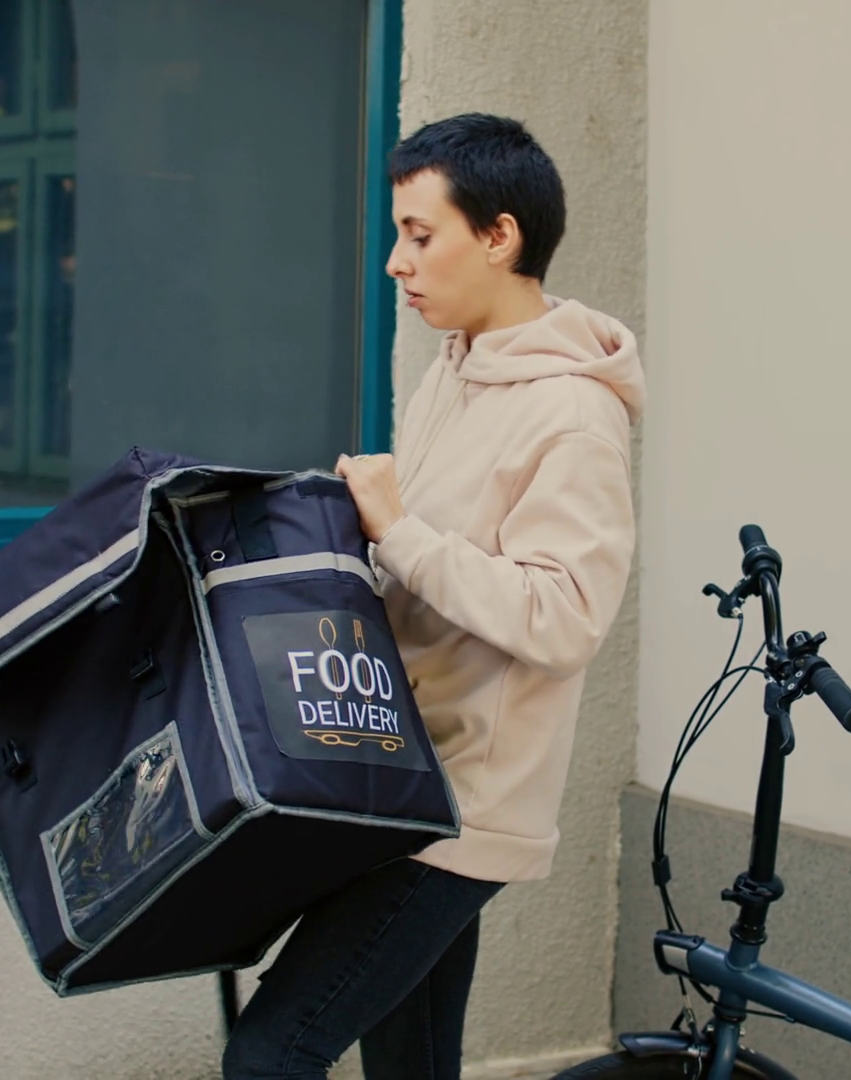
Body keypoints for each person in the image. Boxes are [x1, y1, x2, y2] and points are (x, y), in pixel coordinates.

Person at [222, 114, 643, 1080]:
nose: (395, 263)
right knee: (410, 1063)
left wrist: (399, 532)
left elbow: (565, 619)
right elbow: (415, 566)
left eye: (420, 235)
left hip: (461, 810)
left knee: (270, 1055)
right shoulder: (453, 372)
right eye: (397, 234)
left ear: (499, 237)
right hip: (394, 778)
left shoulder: (574, 415)